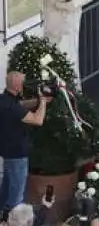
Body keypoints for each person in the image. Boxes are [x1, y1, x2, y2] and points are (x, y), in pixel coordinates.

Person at [0, 71, 51, 214]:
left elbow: (20, 106)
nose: (25, 85)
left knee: (6, 189)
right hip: (17, 155)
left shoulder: (3, 100)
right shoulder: (12, 107)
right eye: (23, 82)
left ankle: (2, 221)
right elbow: (37, 120)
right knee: (16, 196)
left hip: (7, 153)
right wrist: (42, 102)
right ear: (17, 86)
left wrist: (37, 101)